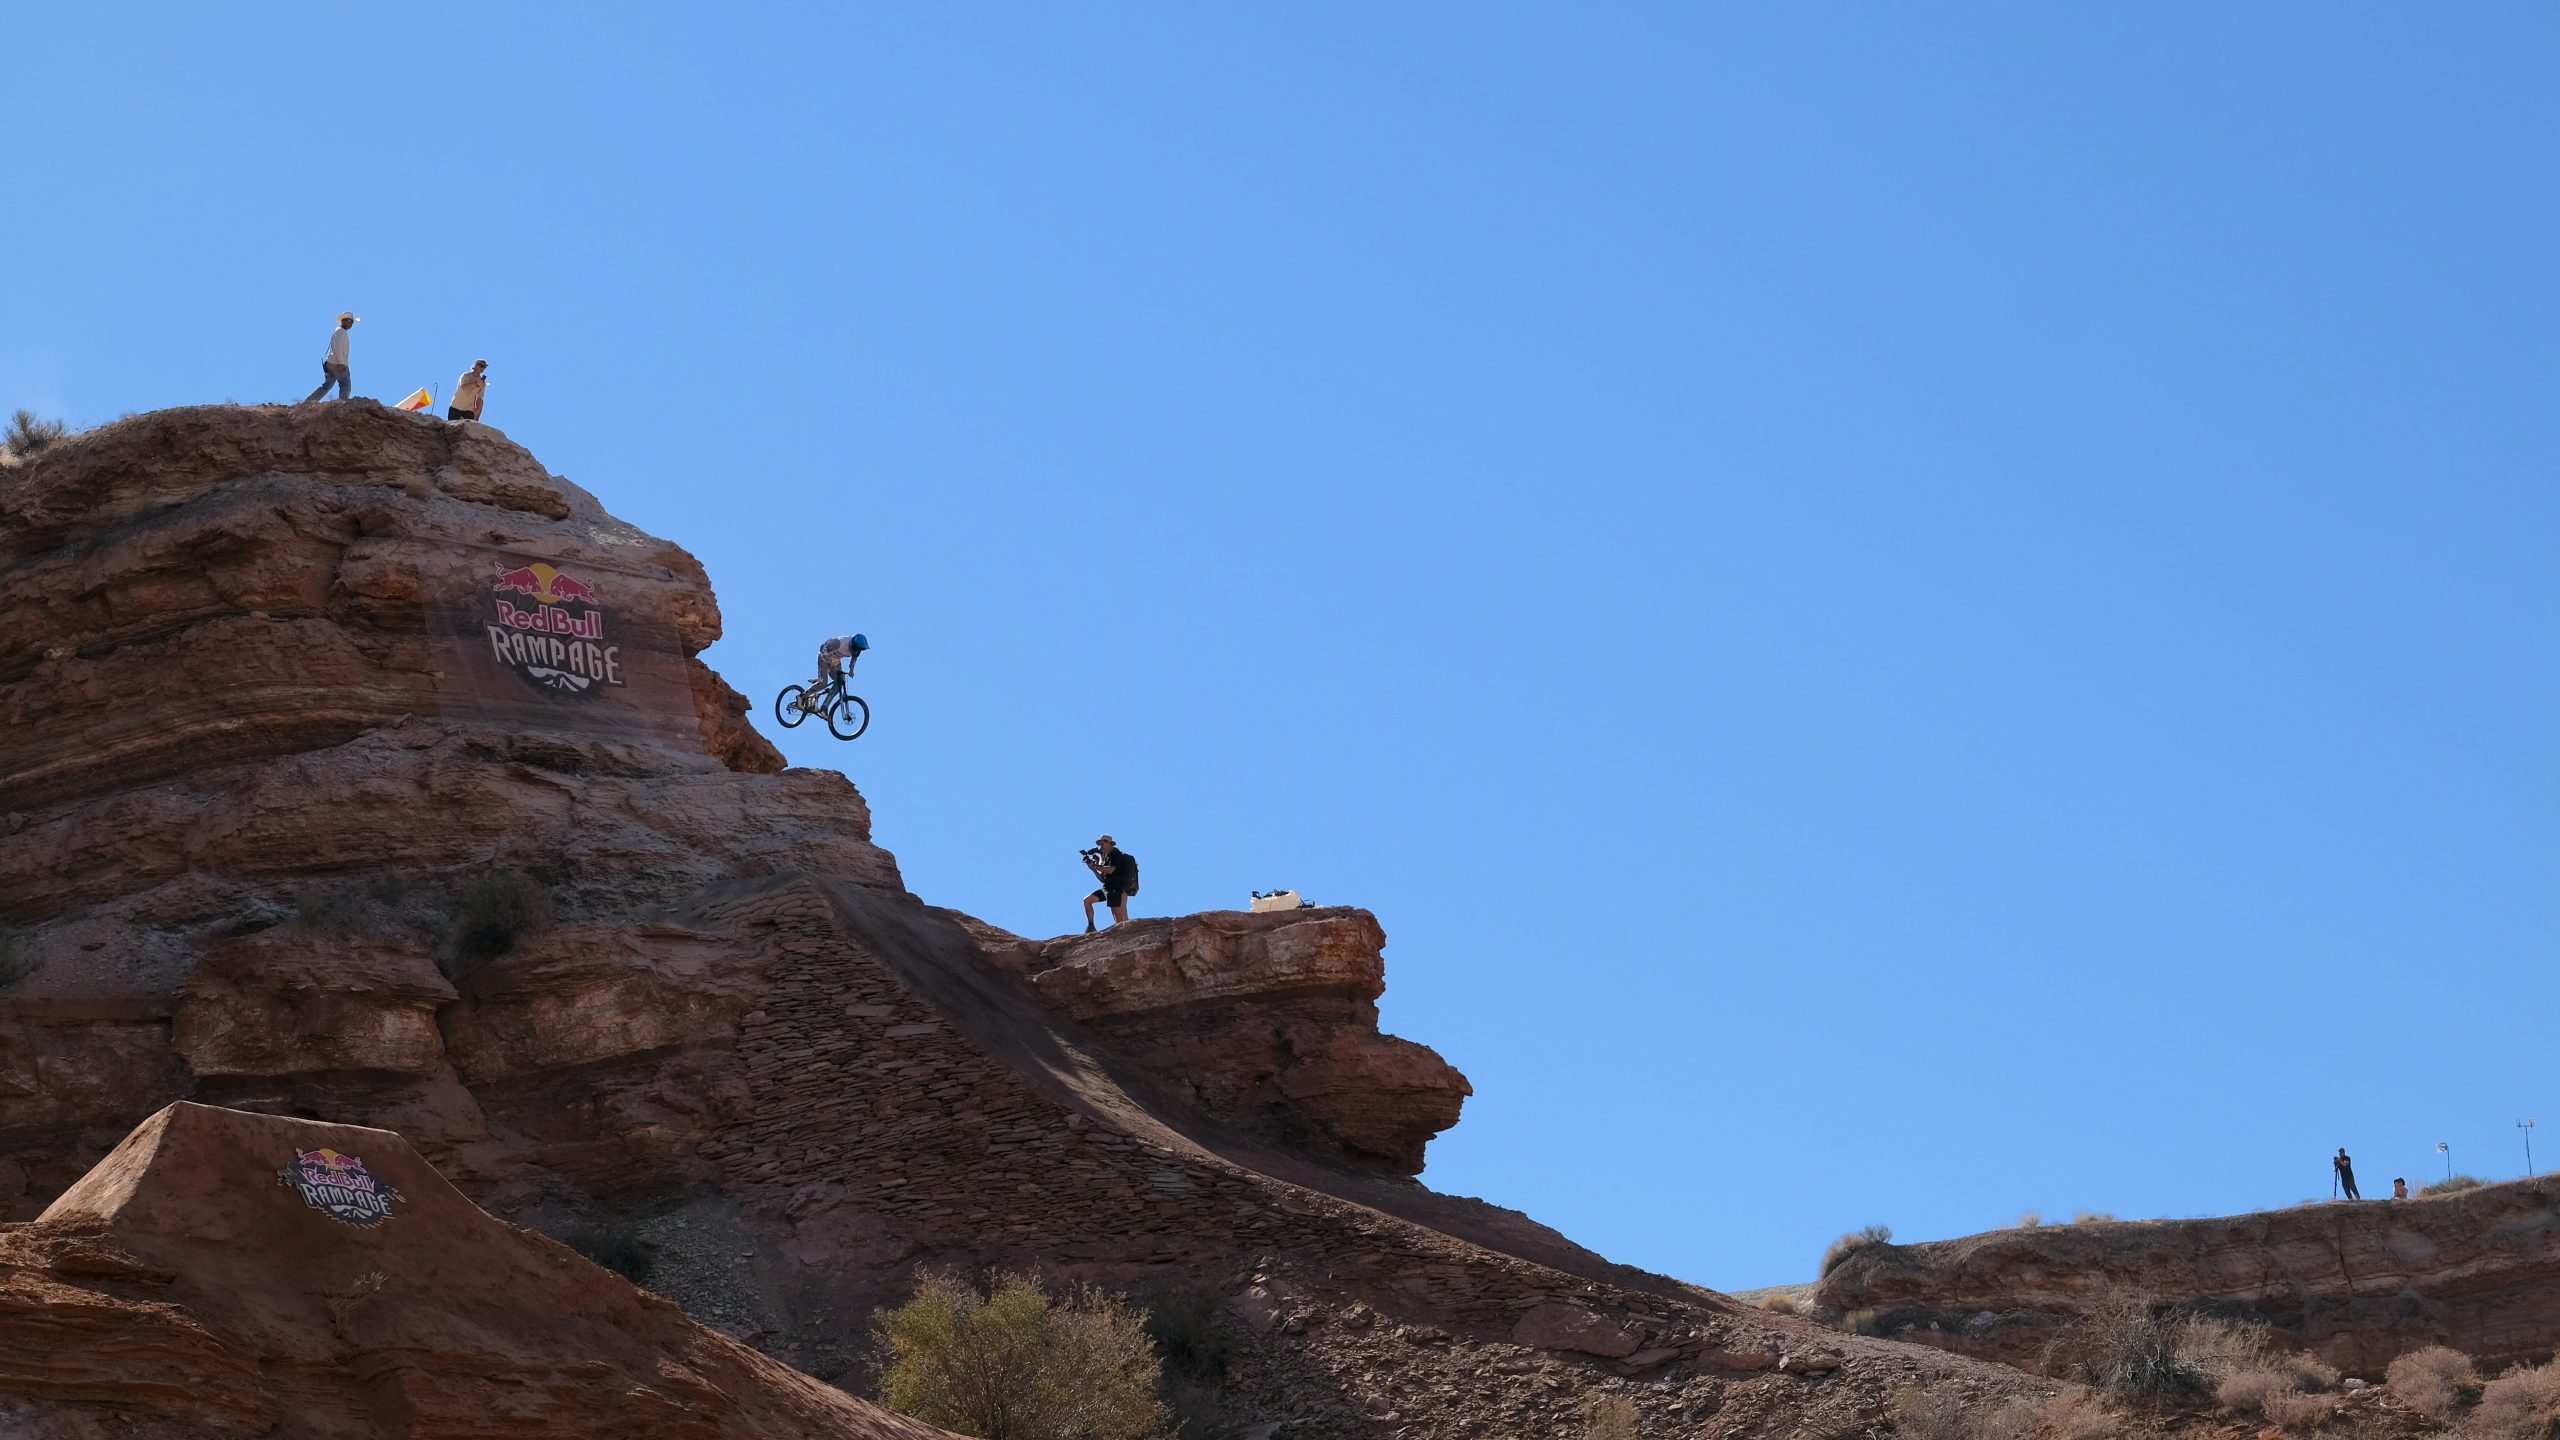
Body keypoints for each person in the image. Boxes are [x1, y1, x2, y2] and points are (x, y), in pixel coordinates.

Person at [1081, 834, 1138, 933]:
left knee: (1116, 911)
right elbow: (1103, 879)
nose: (1101, 847)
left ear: (1110, 844)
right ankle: (1091, 926)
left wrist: (1095, 866)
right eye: (1100, 845)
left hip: (1117, 887)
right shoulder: (1105, 858)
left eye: (1103, 844)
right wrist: (1093, 869)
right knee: (1087, 901)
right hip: (1107, 888)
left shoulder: (1115, 854)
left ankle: (1123, 932)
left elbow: (1110, 870)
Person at [801, 634, 869, 709]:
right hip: (824, 658)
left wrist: (851, 670)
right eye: (856, 649)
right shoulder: (839, 643)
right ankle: (801, 697)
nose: (857, 651)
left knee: (840, 682)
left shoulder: (857, 650)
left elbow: (854, 660)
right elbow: (822, 647)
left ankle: (824, 708)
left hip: (835, 661)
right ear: (852, 644)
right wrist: (827, 659)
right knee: (823, 683)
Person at [303, 312, 357, 403]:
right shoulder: (341, 331)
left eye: (352, 322)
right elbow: (338, 347)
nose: (350, 323)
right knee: (345, 384)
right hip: (338, 363)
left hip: (330, 363)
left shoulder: (338, 331)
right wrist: (340, 362)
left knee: (327, 386)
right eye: (348, 321)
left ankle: (309, 402)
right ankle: (343, 404)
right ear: (343, 321)